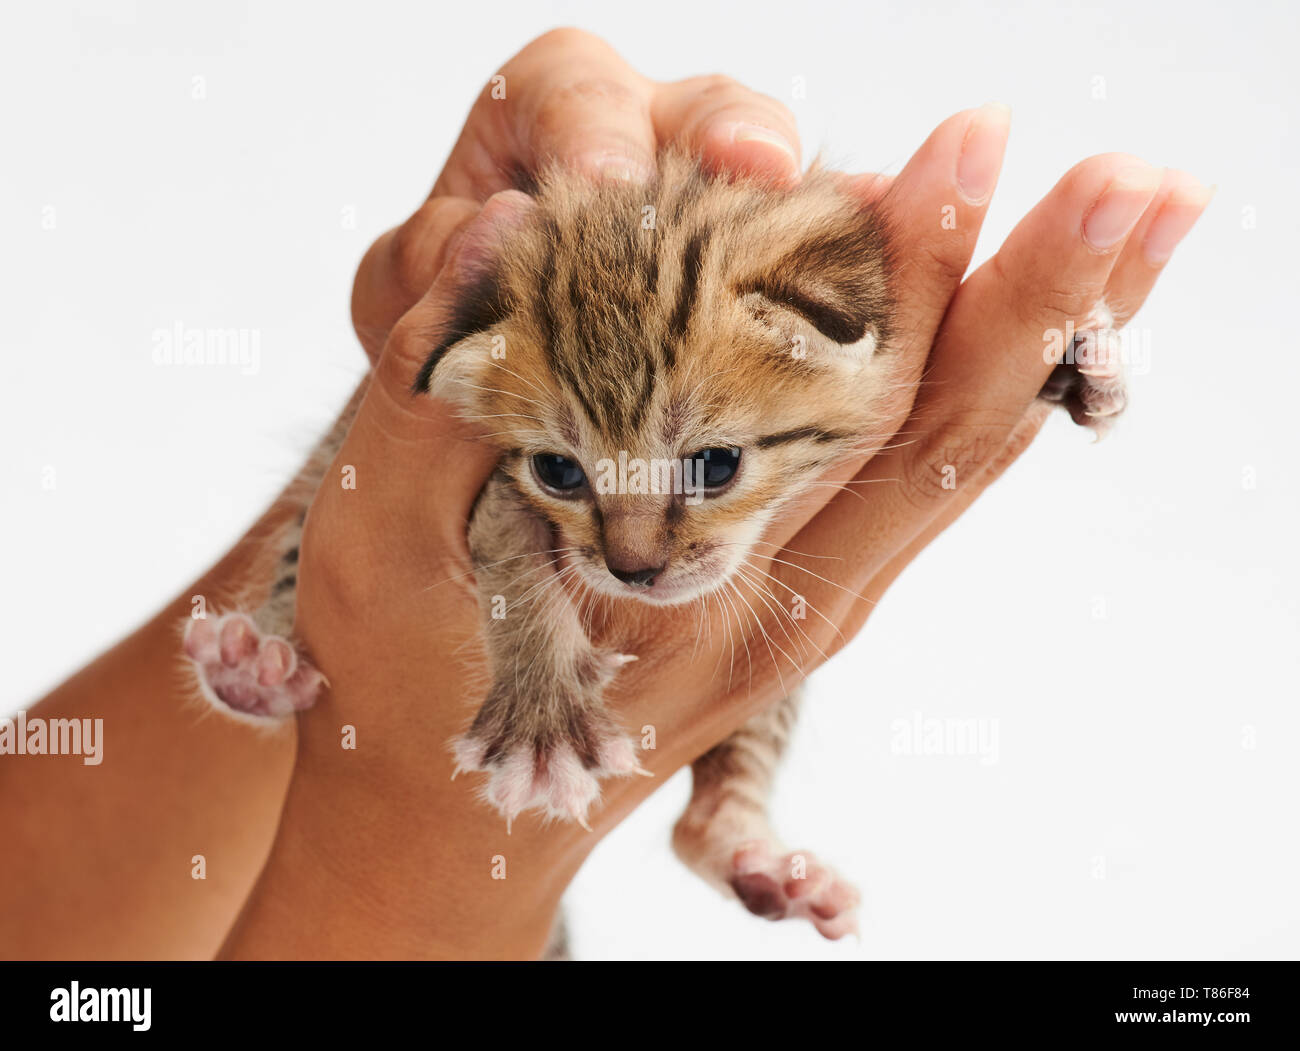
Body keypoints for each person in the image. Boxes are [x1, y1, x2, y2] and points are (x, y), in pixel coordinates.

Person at [0, 29, 1210, 960]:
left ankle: (725, 806)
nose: (635, 552)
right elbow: (458, 509)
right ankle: (288, 639)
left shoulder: (814, 304)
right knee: (733, 607)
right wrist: (423, 843)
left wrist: (1047, 356)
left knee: (760, 629)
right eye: (570, 475)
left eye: (707, 469)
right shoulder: (569, 442)